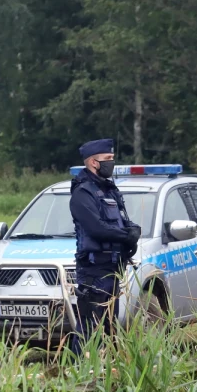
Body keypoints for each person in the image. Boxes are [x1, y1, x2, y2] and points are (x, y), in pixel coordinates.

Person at [68, 139, 141, 357]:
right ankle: (78, 370)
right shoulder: (82, 193)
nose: (112, 163)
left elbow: (122, 221)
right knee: (89, 327)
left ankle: (106, 370)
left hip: (112, 268)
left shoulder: (109, 190)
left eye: (112, 158)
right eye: (107, 159)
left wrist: (133, 231)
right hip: (93, 271)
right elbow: (96, 228)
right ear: (93, 162)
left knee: (109, 327)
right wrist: (126, 236)